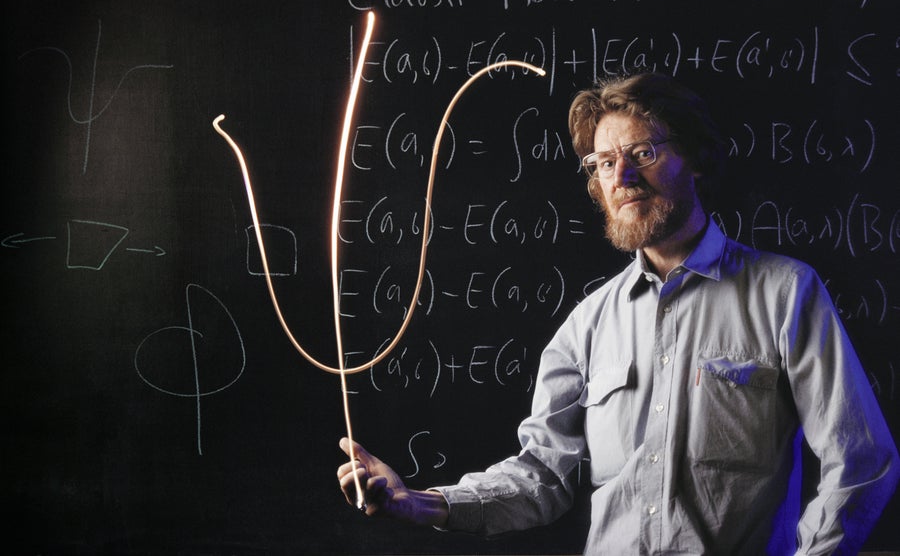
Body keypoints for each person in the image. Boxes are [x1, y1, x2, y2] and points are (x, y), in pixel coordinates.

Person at [337, 72, 899, 554]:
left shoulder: (786, 294)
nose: (622, 177)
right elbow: (541, 478)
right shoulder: (586, 326)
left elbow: (862, 462)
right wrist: (419, 502)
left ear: (695, 160)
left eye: (643, 154)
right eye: (605, 162)